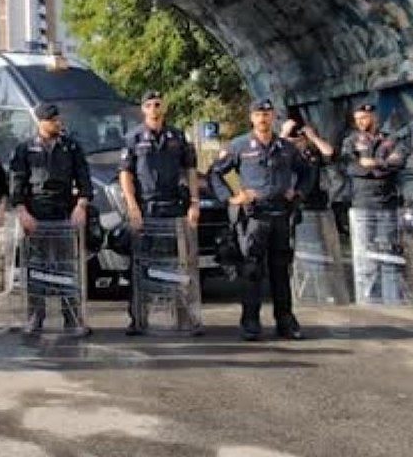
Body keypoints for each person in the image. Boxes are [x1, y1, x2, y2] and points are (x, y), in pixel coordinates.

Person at [208, 98, 307, 341]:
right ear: (252, 118)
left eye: (267, 113)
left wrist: (298, 192)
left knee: (280, 270)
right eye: (258, 114)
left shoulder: (285, 147)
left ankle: (285, 320)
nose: (263, 118)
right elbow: (215, 172)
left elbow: (307, 171)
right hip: (254, 217)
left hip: (281, 215)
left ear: (273, 117)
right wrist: (232, 198)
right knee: (251, 270)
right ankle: (250, 321)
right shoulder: (240, 145)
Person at [118, 90, 201, 335]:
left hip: (173, 206)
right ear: (143, 109)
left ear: (163, 107)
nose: (154, 108)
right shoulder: (133, 137)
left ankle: (183, 315)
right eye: (149, 105)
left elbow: (191, 169)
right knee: (140, 263)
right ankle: (139, 318)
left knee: (177, 263)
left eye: (158, 104)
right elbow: (126, 173)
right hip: (145, 207)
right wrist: (132, 206)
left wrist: (194, 202)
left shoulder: (177, 136)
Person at [10, 102, 93, 336]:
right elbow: (17, 181)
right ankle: (36, 318)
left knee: (67, 267)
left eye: (58, 118)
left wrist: (82, 205)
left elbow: (84, 178)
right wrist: (21, 211)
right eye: (52, 120)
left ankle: (72, 317)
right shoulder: (25, 149)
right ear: (40, 122)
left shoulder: (71, 147)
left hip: (64, 213)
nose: (58, 122)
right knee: (37, 267)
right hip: (36, 215)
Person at [341, 102, 409, 303]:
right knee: (365, 252)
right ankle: (368, 296)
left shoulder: (390, 138)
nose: (361, 122)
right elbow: (350, 167)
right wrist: (381, 168)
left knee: (389, 251)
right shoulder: (350, 141)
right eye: (358, 119)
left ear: (374, 117)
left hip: (388, 202)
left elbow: (400, 161)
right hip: (363, 203)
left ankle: (392, 296)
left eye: (365, 117)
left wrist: (376, 164)